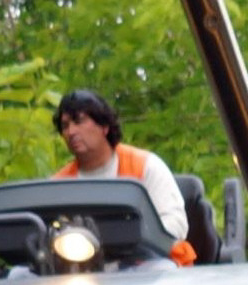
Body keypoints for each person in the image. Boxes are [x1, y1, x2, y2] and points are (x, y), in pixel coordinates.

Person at [51, 89, 195, 266]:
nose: (71, 131)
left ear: (104, 127)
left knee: (162, 270)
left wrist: (133, 237)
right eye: (65, 126)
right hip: (79, 270)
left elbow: (176, 223)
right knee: (19, 275)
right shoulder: (57, 185)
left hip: (144, 264)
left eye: (79, 121)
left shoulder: (146, 166)